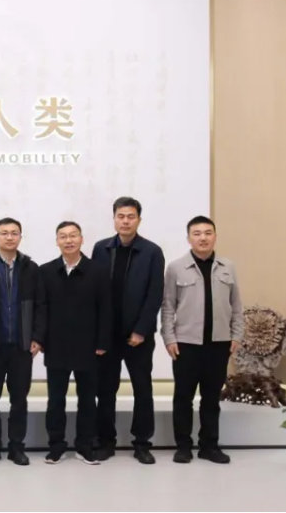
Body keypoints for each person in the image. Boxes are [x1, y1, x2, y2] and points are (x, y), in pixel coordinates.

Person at [162, 216, 243, 465]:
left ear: (215, 236)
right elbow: (168, 306)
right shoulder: (176, 268)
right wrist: (169, 337)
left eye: (208, 233)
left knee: (211, 398)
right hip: (186, 344)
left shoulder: (228, 267)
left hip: (219, 344)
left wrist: (236, 335)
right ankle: (183, 446)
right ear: (189, 238)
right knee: (183, 398)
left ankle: (209, 446)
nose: (203, 238)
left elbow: (236, 305)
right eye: (197, 233)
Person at [91, 197, 164, 464]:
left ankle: (142, 443)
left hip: (138, 336)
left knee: (142, 389)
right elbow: (95, 292)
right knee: (105, 390)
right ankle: (105, 441)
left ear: (139, 220)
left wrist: (141, 330)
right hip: (107, 335)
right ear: (114, 219)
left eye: (130, 216)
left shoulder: (152, 251)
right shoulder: (101, 249)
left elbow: (155, 294)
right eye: (121, 216)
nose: (125, 221)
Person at [38, 221, 111, 466]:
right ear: (56, 241)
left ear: (81, 239)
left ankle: (85, 446)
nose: (68, 241)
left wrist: (103, 341)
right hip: (56, 345)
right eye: (63, 236)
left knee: (87, 399)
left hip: (88, 346)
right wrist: (41, 338)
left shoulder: (98, 271)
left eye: (73, 236)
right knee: (55, 399)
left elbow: (106, 308)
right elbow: (41, 308)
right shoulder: (46, 271)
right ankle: (56, 446)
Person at [0, 217, 46, 467]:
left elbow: (40, 305)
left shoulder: (31, 268)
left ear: (20, 237)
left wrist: (37, 337)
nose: (9, 237)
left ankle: (17, 447)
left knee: (19, 399)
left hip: (21, 345)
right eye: (4, 233)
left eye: (14, 233)